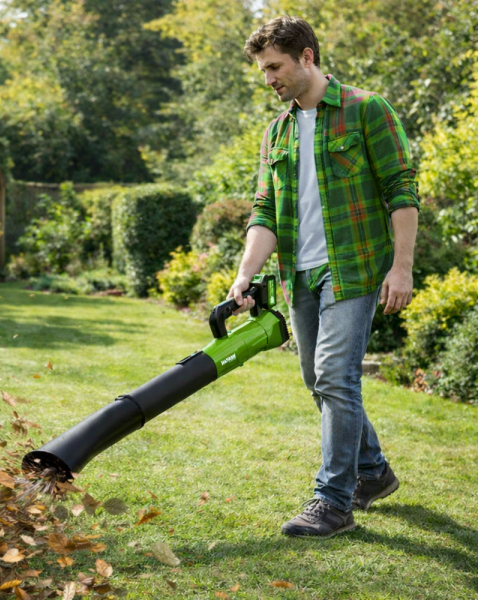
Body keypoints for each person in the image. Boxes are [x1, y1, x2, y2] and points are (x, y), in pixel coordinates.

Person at [228, 16, 419, 538]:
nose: (268, 79)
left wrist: (401, 267)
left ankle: (333, 502)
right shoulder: (278, 131)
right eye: (263, 70)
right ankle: (373, 471)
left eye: (275, 67)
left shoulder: (366, 109)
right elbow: (265, 211)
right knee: (318, 380)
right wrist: (245, 275)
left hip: (354, 266)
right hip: (299, 272)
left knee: (335, 376)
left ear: (307, 57)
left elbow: (401, 189)